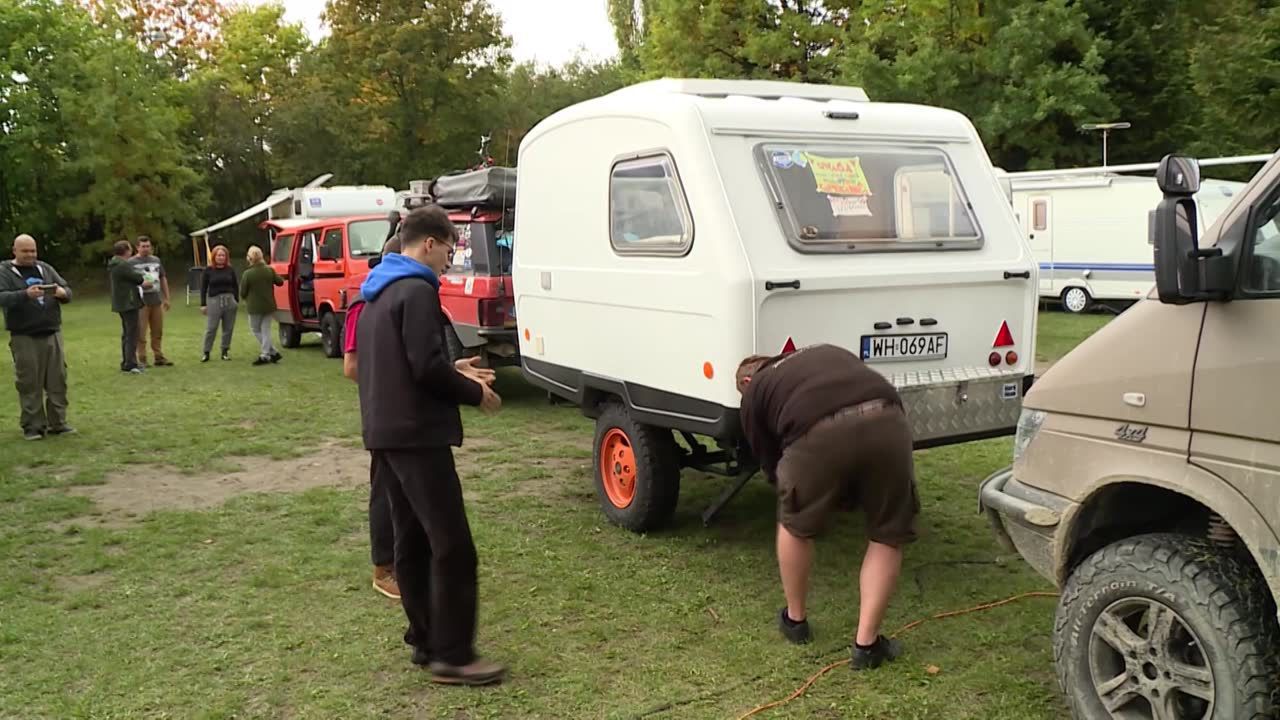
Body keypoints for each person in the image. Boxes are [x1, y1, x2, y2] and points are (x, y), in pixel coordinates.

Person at [356, 205, 505, 686]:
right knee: (452, 544)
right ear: (429, 244)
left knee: (413, 541)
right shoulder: (417, 290)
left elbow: (396, 363)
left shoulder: (378, 290)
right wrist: (473, 393)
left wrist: (453, 368)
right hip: (418, 436)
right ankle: (454, 656)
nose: (449, 260)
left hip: (387, 434)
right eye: (449, 250)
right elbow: (423, 367)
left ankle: (425, 639)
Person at [735, 343, 920, 671]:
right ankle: (867, 645)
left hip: (815, 428)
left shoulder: (755, 389)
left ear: (746, 382)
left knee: (794, 525)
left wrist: (797, 496)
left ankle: (795, 621)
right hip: (889, 417)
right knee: (888, 533)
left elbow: (769, 458)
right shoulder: (821, 352)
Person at [342, 235, 402, 600]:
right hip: (383, 410)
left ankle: (408, 558)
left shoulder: (402, 299)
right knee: (385, 487)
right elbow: (351, 366)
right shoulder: (364, 304)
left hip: (406, 412)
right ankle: (384, 568)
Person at [0, 234, 74, 440]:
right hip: (24, 336)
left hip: (52, 332)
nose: (30, 255)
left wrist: (62, 293)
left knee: (57, 380)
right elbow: (2, 296)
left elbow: (67, 290)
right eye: (25, 251)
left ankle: (58, 422)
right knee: (29, 382)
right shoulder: (5, 271)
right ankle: (33, 426)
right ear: (14, 251)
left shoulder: (45, 268)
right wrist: (25, 294)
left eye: (33, 250)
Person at [109, 240, 152, 374]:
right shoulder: (122, 265)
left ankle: (126, 362)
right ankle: (130, 364)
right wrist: (146, 281)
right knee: (132, 333)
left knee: (127, 333)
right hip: (128, 303)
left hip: (122, 303)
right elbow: (137, 278)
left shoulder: (115, 263)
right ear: (126, 251)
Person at [129, 235, 172, 367]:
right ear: (137, 247)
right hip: (141, 302)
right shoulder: (131, 263)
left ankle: (158, 356)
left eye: (148, 246)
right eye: (143, 246)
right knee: (141, 331)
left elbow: (163, 278)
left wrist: (167, 297)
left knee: (157, 330)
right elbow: (128, 281)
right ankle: (142, 358)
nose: (146, 249)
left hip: (156, 300)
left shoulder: (156, 260)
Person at [239, 246, 284, 366]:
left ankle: (266, 354)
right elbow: (280, 282)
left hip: (254, 306)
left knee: (255, 329)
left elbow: (243, 291)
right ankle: (271, 352)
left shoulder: (248, 274)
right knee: (266, 330)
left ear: (249, 258)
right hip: (269, 305)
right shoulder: (269, 270)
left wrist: (245, 298)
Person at [200, 245, 238, 362]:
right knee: (211, 328)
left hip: (229, 300)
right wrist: (203, 304)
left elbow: (235, 285)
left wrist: (236, 300)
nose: (221, 257)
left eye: (223, 255)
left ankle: (225, 351)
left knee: (228, 328)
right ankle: (206, 352)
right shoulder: (208, 270)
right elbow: (203, 288)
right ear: (214, 256)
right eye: (218, 255)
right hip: (214, 300)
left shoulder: (230, 270)